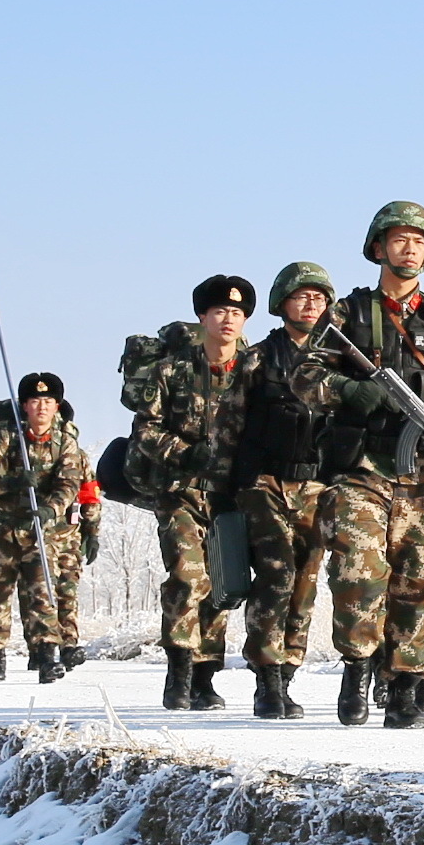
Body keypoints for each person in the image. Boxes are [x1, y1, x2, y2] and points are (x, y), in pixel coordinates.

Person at [316, 203, 424, 730]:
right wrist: (351, 389)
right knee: (359, 575)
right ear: (378, 248)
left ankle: (405, 687)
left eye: (417, 241)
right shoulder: (348, 314)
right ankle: (356, 669)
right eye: (398, 240)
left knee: (421, 580)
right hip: (362, 469)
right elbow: (306, 376)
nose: (408, 248)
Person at [142, 275, 258, 710]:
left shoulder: (256, 369)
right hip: (182, 491)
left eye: (236, 313)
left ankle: (206, 676)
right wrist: (187, 454)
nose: (228, 320)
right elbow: (146, 431)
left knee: (222, 582)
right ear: (202, 317)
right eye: (219, 312)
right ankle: (179, 671)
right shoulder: (171, 371)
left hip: (233, 495)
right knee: (189, 576)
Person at [236, 260, 342, 717]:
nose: (311, 303)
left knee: (305, 582)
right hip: (265, 482)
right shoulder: (257, 359)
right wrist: (229, 485)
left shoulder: (343, 359)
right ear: (283, 303)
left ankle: (288, 671)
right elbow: (230, 422)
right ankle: (266, 676)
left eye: (319, 297)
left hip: (318, 484)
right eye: (302, 296)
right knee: (277, 572)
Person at [0, 371, 99, 682]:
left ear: (57, 407)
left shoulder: (65, 443)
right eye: (35, 401)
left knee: (43, 592)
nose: (42, 407)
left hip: (41, 531)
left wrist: (49, 510)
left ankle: (47, 655)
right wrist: (11, 481)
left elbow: (69, 484)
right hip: (2, 530)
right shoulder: (8, 439)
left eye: (49, 401)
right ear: (24, 406)